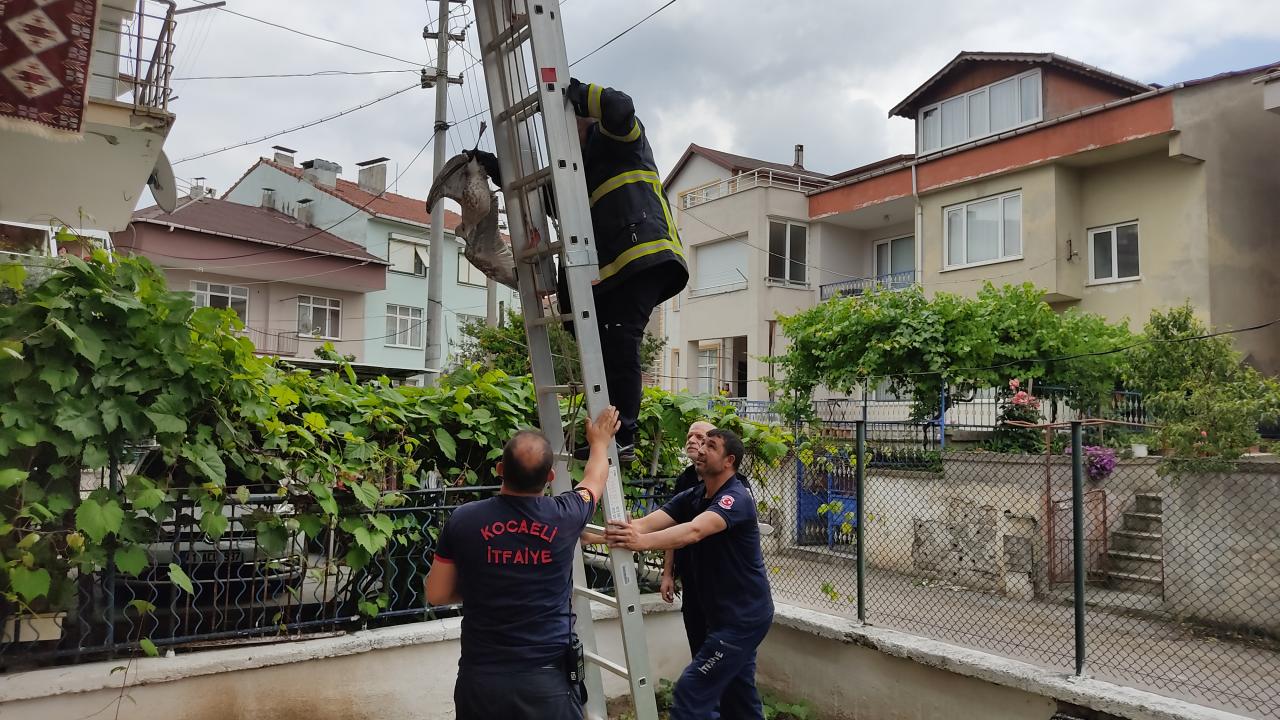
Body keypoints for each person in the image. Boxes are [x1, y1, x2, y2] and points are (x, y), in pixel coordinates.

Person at [426, 406, 621, 720]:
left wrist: (488, 585)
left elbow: (436, 594)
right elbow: (594, 480)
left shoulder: (463, 520)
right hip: (549, 681)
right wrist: (599, 442)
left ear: (501, 469)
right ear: (551, 476)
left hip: (482, 679)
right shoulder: (566, 514)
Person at [562, 78, 689, 463]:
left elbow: (620, 105)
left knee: (620, 340)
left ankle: (624, 434)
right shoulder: (578, 167)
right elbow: (555, 203)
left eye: (574, 123)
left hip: (645, 254)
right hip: (617, 267)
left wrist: (577, 92)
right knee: (602, 346)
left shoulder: (618, 136)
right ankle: (608, 430)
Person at [606, 429, 773, 720]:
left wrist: (640, 543)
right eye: (701, 443)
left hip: (742, 617)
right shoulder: (695, 494)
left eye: (711, 445)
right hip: (719, 614)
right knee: (739, 700)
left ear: (728, 461)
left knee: (691, 691)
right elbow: (646, 524)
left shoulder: (736, 498)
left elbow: (694, 531)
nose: (701, 448)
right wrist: (589, 535)